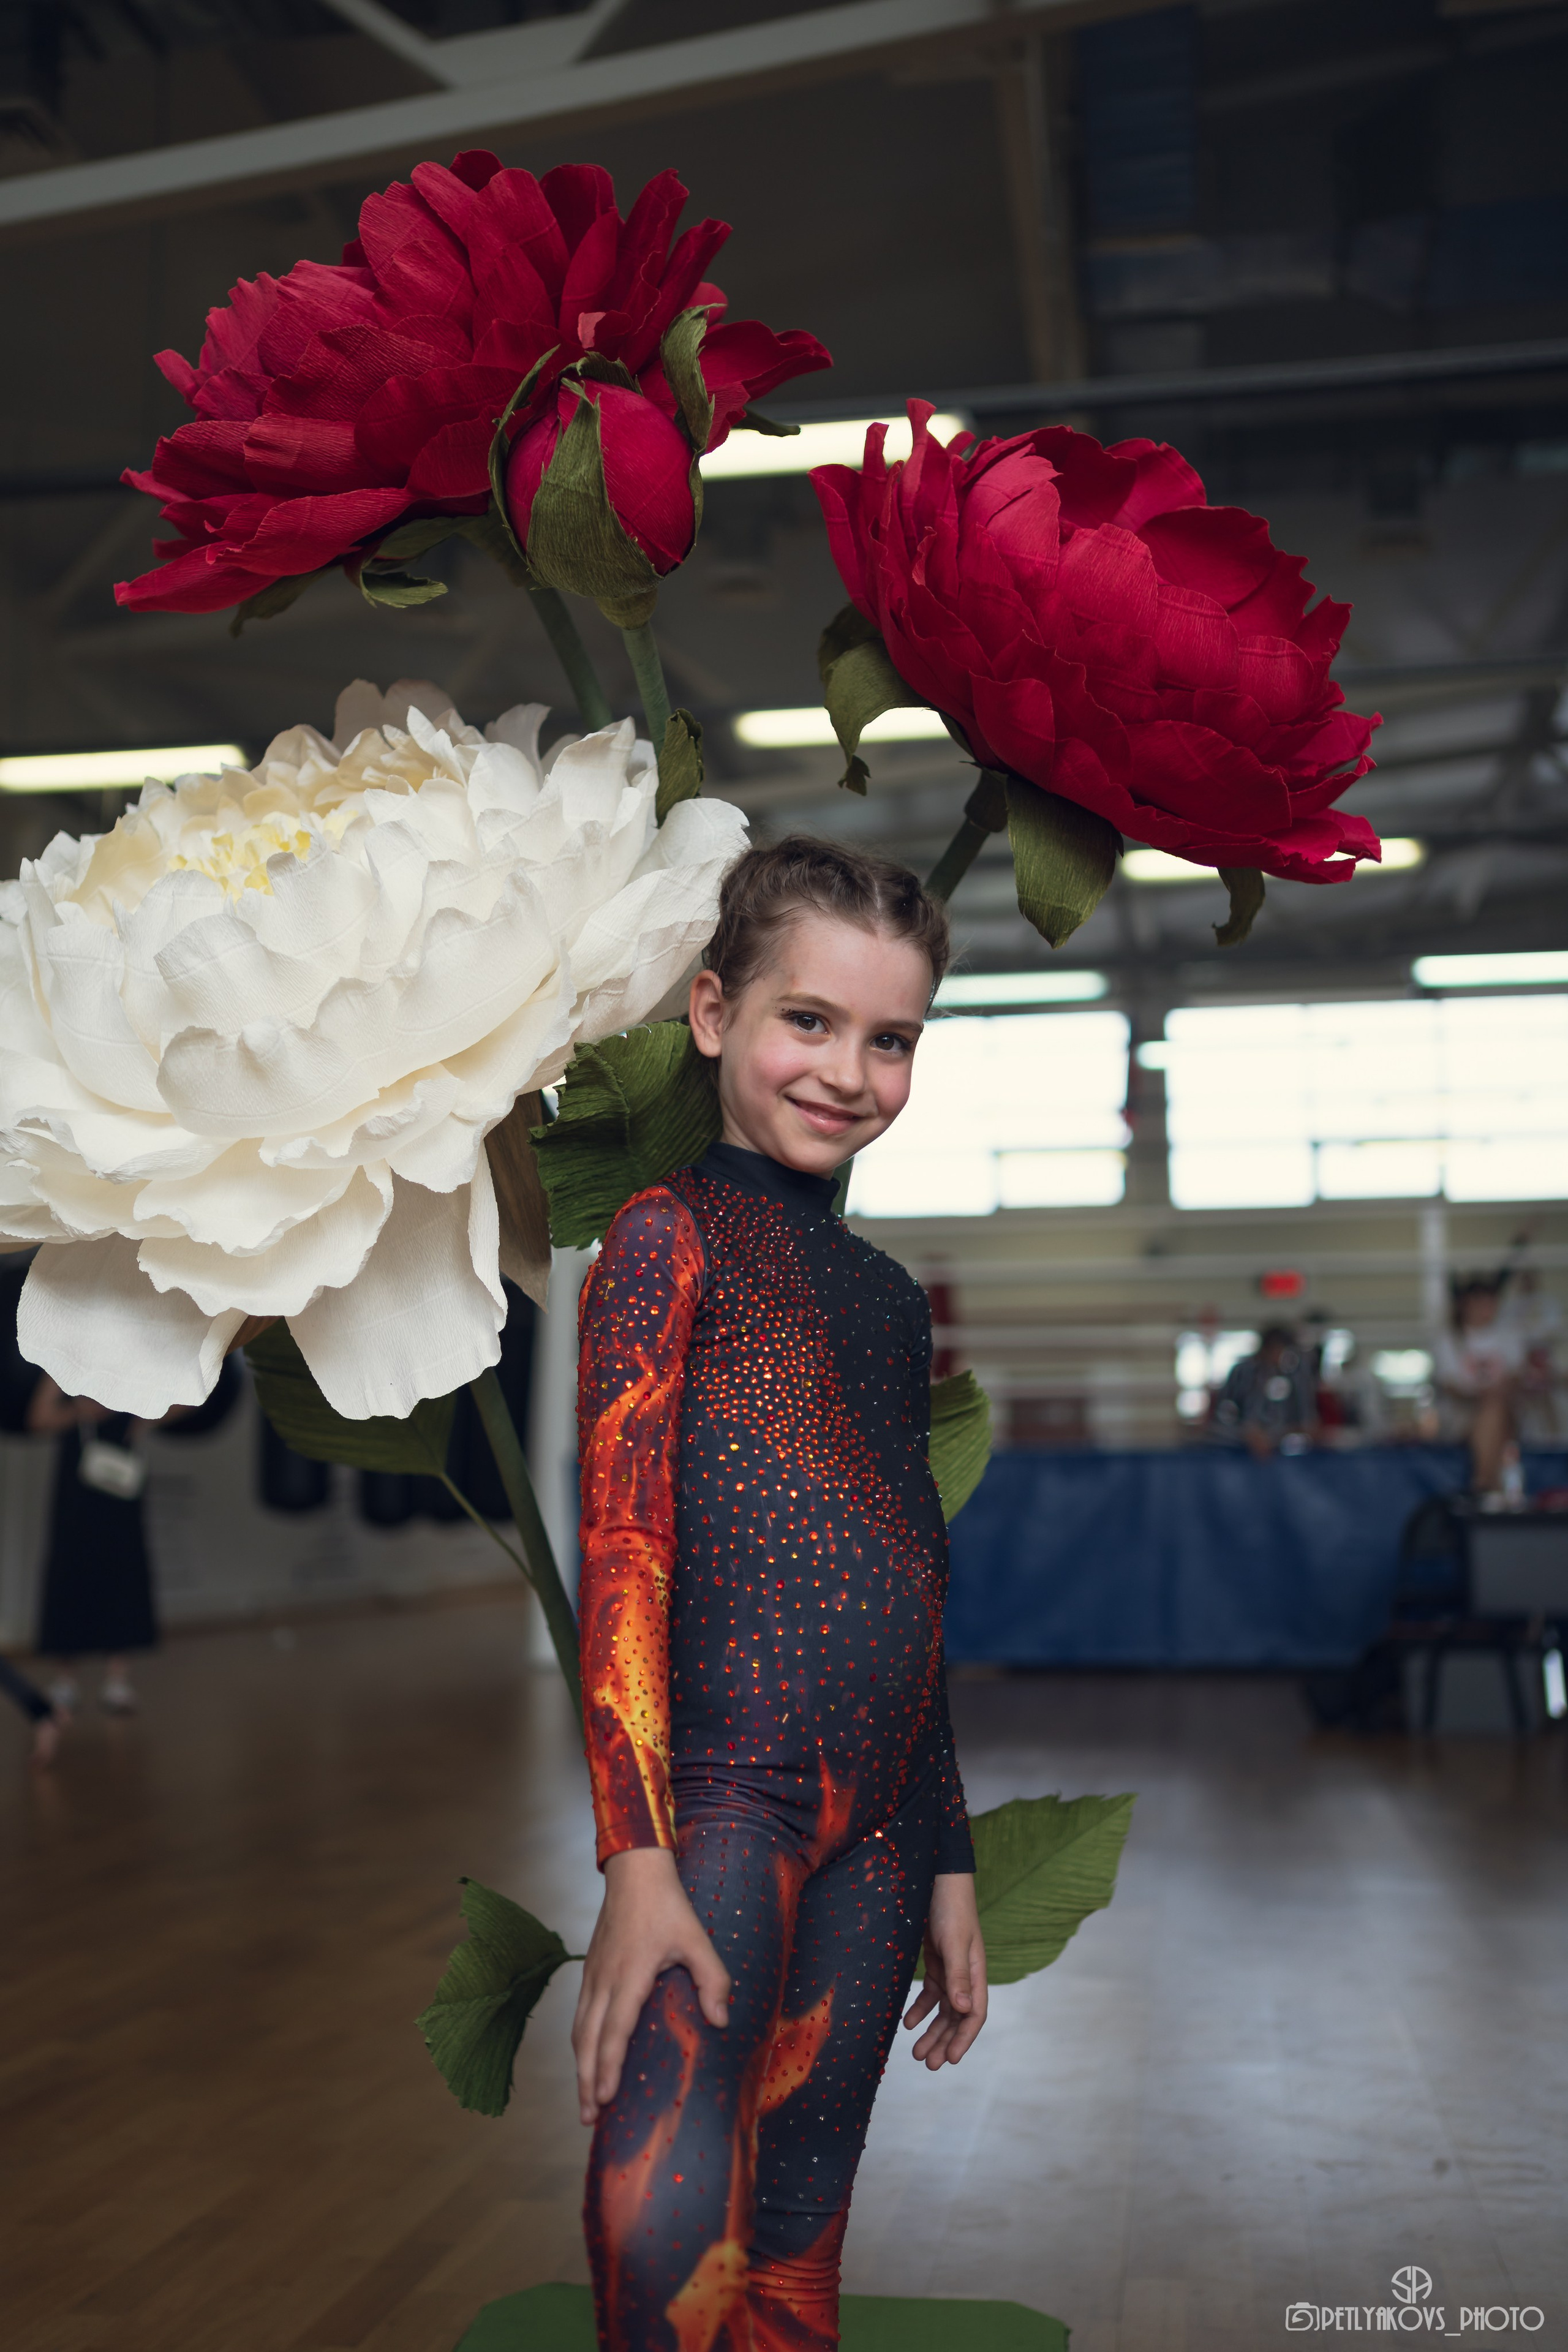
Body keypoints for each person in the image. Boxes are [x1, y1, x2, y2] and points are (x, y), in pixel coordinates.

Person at [571, 839, 984, 2351]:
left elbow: (918, 1577)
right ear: (711, 1013)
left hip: (879, 1832)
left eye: (890, 1039)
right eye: (807, 1020)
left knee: (800, 2243)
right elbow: (622, 1549)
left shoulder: (884, 1298)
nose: (847, 1073)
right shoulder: (663, 1235)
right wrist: (635, 1860)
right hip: (724, 1809)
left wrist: (946, 1854)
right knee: (663, 2234)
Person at [1434, 1276, 1524, 1496]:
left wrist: (1493, 1395)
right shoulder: (1449, 1340)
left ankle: (1482, 1484)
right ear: (1467, 1305)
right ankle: (1491, 1486)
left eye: (1492, 1302)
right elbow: (1450, 1387)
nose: (1489, 1309)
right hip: (1464, 1416)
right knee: (1494, 1414)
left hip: (1506, 1412)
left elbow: (1516, 1379)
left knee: (1495, 1409)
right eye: (1482, 1302)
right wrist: (1481, 1396)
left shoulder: (1509, 1336)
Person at [1209, 1325, 1317, 1457]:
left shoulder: (1297, 1376)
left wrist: (1285, 1434)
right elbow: (1222, 1415)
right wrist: (1247, 1433)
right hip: (1238, 1450)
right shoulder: (1242, 1373)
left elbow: (1307, 1421)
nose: (1278, 1357)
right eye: (1275, 1350)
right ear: (1264, 1349)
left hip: (1285, 1452)